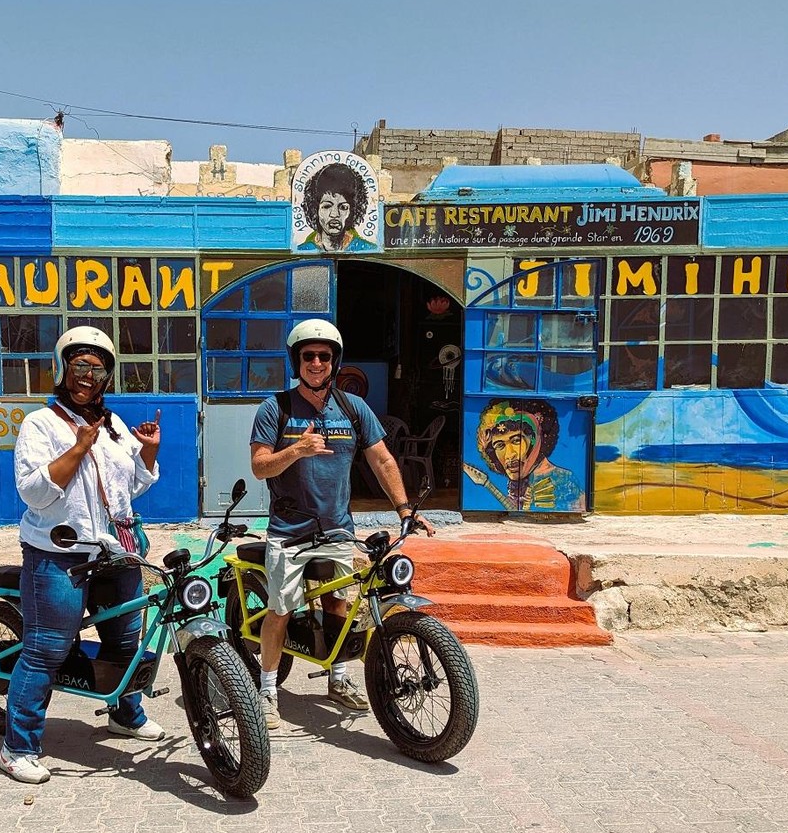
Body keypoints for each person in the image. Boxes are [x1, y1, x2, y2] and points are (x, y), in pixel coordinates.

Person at [249, 318, 435, 730]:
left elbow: (382, 459)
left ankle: (338, 678)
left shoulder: (352, 408)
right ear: (296, 361)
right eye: (308, 356)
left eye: (324, 356)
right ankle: (266, 689)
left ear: (335, 361)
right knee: (280, 609)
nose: (316, 362)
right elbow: (260, 466)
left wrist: (404, 508)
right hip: (289, 531)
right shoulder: (275, 408)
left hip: (336, 527)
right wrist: (296, 450)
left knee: (340, 604)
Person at [0, 326, 164, 784]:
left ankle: (125, 714)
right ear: (63, 369)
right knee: (46, 650)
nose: (88, 376)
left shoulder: (113, 427)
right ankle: (18, 747)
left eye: (98, 368)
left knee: (125, 639)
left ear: (108, 376)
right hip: (58, 553)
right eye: (80, 366)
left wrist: (147, 455)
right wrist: (77, 448)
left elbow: (128, 489)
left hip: (115, 551)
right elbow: (32, 491)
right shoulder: (41, 424)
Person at [476, 398, 583, 512]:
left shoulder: (563, 479)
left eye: (516, 441)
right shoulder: (517, 480)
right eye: (500, 445)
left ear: (535, 441)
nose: (509, 455)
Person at [298, 163, 374, 253]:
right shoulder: (303, 250)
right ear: (315, 209)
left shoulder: (367, 249)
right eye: (327, 206)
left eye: (343, 207)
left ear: (353, 211)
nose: (335, 214)